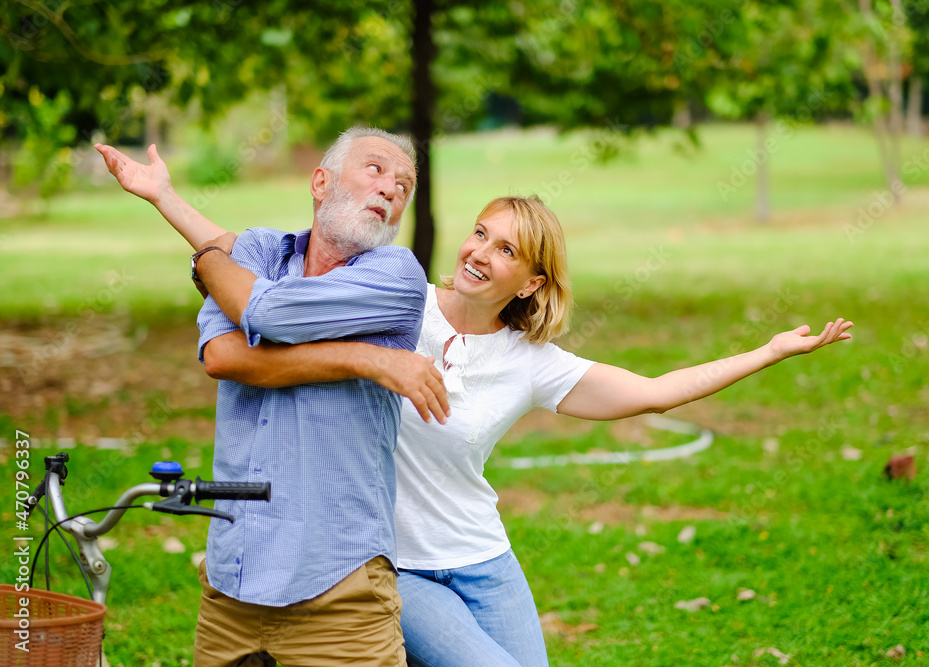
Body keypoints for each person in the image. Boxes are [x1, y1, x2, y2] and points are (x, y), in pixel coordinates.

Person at [101, 144, 853, 666]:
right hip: (396, 563)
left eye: (505, 251)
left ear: (531, 282)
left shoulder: (532, 364)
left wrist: (768, 352)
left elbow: (654, 392)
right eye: (480, 233)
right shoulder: (397, 302)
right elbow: (251, 259)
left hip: (484, 559)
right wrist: (164, 196)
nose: (479, 253)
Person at [96, 128, 450, 667]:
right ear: (321, 182)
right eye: (376, 169)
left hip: (342, 587)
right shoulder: (260, 249)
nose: (391, 189)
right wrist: (365, 358)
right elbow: (223, 356)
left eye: (404, 186)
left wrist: (208, 263)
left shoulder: (397, 275)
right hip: (233, 582)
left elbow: (268, 312)